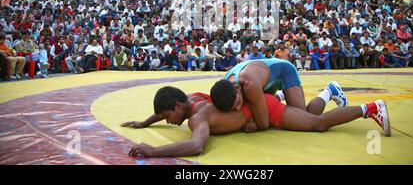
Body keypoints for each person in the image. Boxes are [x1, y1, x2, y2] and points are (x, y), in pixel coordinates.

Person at [123, 84, 390, 158]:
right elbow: (165, 109)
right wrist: (145, 123)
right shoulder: (192, 98)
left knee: (316, 124)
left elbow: (196, 147)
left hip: (268, 112)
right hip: (258, 105)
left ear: (179, 106)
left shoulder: (198, 119)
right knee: (313, 114)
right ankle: (329, 91)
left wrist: (154, 151)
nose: (168, 121)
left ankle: (370, 108)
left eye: (168, 116)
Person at [218, 57, 345, 130]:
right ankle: (280, 96)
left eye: (239, 103)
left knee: (306, 117)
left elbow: (263, 123)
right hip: (262, 79)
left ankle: (329, 91)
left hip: (283, 72)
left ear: (236, 88)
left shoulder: (248, 83)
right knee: (260, 105)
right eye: (235, 107)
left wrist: (250, 125)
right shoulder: (223, 87)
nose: (239, 107)